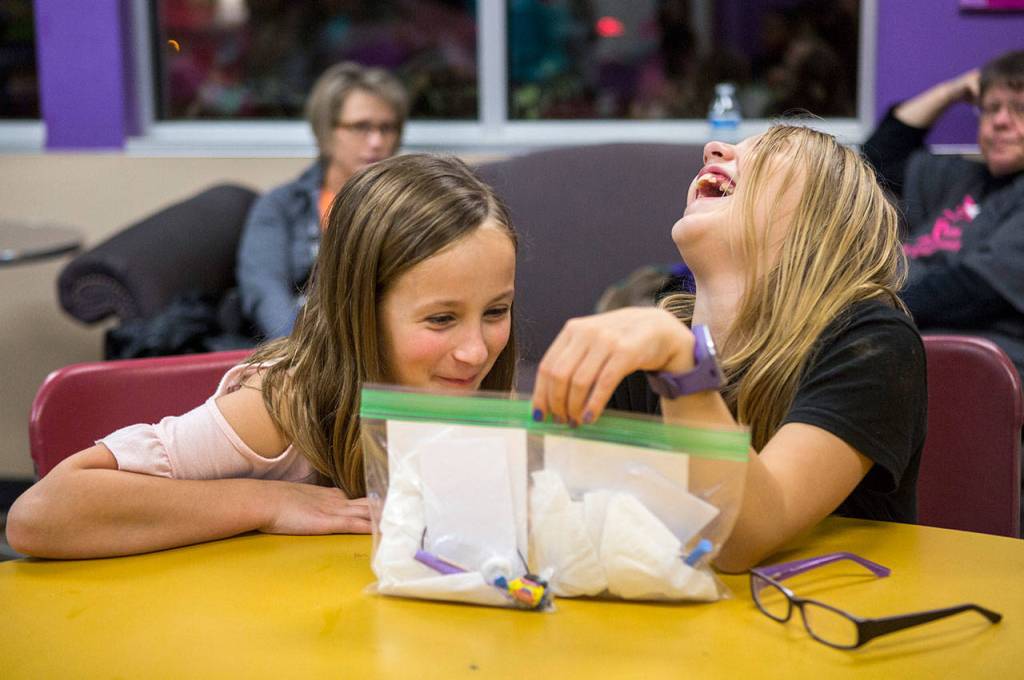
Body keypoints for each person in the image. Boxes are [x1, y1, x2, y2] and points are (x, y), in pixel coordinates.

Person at [7, 154, 518, 560]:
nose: (476, 351)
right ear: (359, 309)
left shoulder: (473, 383)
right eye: (441, 320)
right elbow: (41, 515)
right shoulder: (278, 408)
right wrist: (268, 501)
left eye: (496, 311)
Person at [531, 125, 926, 573]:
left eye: (770, 151)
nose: (712, 148)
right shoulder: (651, 350)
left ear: (821, 220)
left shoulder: (872, 341)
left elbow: (742, 539)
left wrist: (681, 364)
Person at [862, 49, 1024, 377]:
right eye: (990, 109)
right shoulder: (962, 176)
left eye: (1019, 109)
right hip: (896, 331)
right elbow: (878, 161)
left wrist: (863, 305)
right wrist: (951, 92)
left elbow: (972, 291)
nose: (1000, 121)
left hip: (971, 361)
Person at [237, 62, 408, 339]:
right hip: (301, 349)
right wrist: (303, 352)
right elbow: (265, 294)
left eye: (387, 128)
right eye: (361, 127)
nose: (377, 142)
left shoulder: (414, 204)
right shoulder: (281, 206)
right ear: (327, 132)